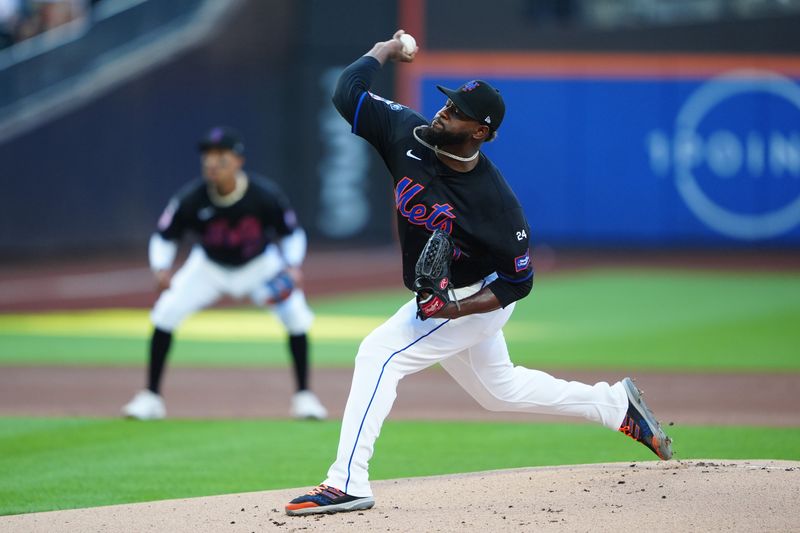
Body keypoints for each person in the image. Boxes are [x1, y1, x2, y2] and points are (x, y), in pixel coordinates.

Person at [284, 31, 672, 516]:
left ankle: (346, 482)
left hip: (476, 297)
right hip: (447, 295)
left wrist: (455, 308)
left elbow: (519, 283)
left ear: (480, 132)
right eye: (448, 103)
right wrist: (385, 49)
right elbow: (348, 92)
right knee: (499, 390)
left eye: (458, 111)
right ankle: (615, 405)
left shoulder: (496, 207)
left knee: (380, 354)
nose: (444, 111)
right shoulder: (405, 132)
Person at [122, 126, 327, 421]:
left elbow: (292, 234)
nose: (212, 162)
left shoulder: (263, 195)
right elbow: (165, 236)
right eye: (208, 156)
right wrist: (161, 267)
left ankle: (304, 397)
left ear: (238, 161)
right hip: (209, 267)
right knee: (165, 313)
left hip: (259, 266)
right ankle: (151, 397)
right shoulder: (192, 198)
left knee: (296, 316)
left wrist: (293, 264)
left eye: (221, 156)